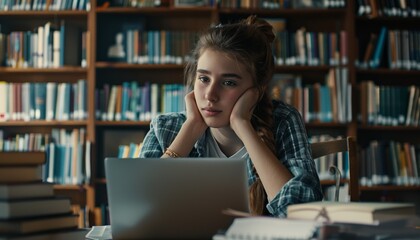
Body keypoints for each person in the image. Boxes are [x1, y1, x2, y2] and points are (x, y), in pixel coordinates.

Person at [139, 15, 323, 217]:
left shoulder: (283, 121)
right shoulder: (166, 127)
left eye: (229, 83)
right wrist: (191, 129)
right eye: (203, 79)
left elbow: (302, 213)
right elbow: (138, 210)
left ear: (257, 91)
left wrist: (242, 125)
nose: (210, 95)